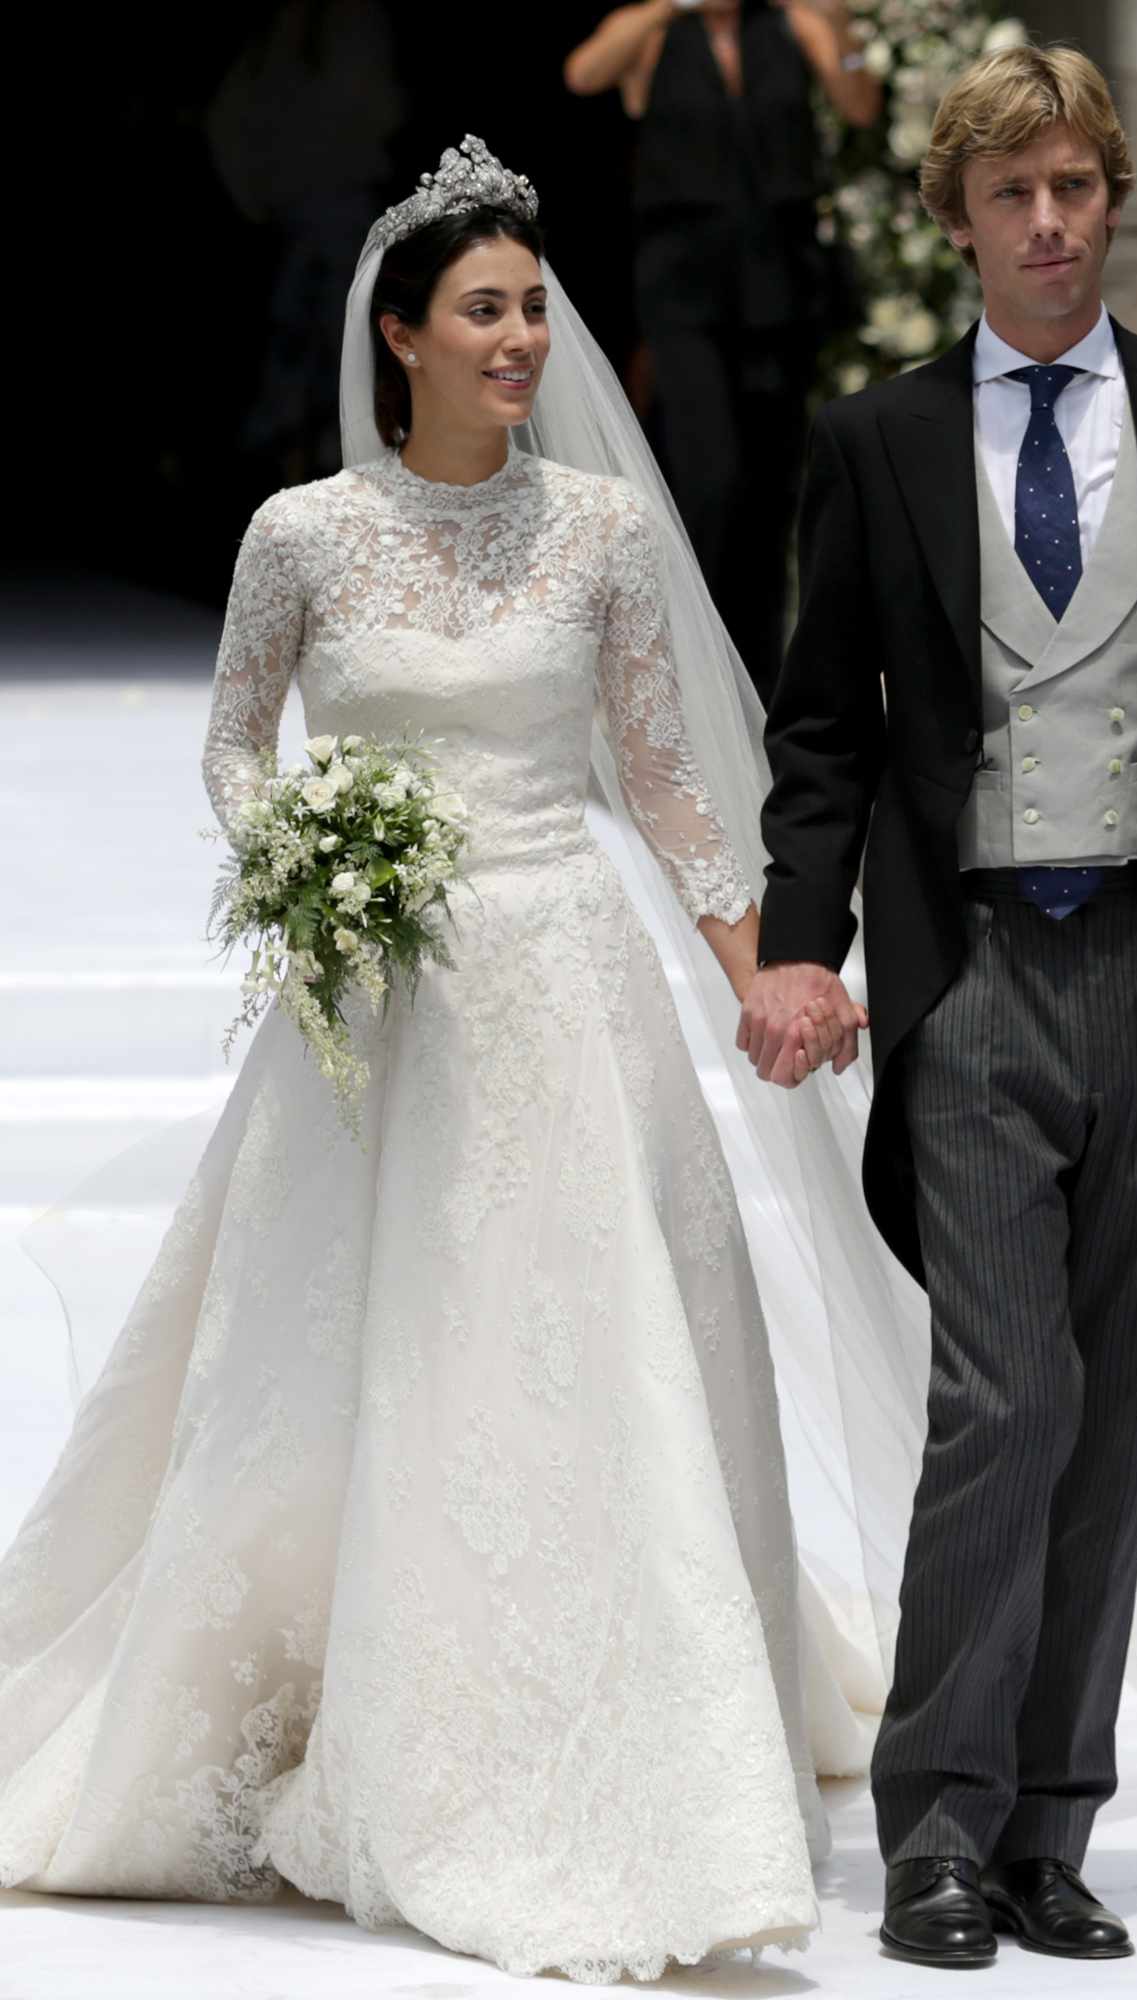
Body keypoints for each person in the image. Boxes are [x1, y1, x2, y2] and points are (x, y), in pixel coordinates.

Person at [0, 135, 858, 1981]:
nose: (522, 338)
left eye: (536, 307)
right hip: (377, 1011)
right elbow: (236, 745)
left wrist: (761, 961)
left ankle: (633, 1731)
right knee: (359, 1361)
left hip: (564, 983)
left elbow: (665, 771)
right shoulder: (300, 536)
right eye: (485, 310)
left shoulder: (606, 536)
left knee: (584, 1352)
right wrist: (299, 858)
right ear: (398, 335)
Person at [741, 41, 1137, 1968]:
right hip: (979, 967)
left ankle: (1049, 1830)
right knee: (1000, 1402)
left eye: (1079, 188)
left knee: (1112, 1412)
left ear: (1113, 200)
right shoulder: (878, 441)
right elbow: (826, 729)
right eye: (1015, 195)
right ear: (960, 218)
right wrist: (796, 945)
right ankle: (937, 1824)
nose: (1052, 225)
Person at [565, 0, 880, 703]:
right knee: (711, 476)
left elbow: (857, 103)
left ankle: (760, 677)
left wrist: (841, 33)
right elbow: (585, 73)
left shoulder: (792, 22)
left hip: (778, 287)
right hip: (685, 289)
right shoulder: (654, 31)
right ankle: (685, 662)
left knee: (774, 486)